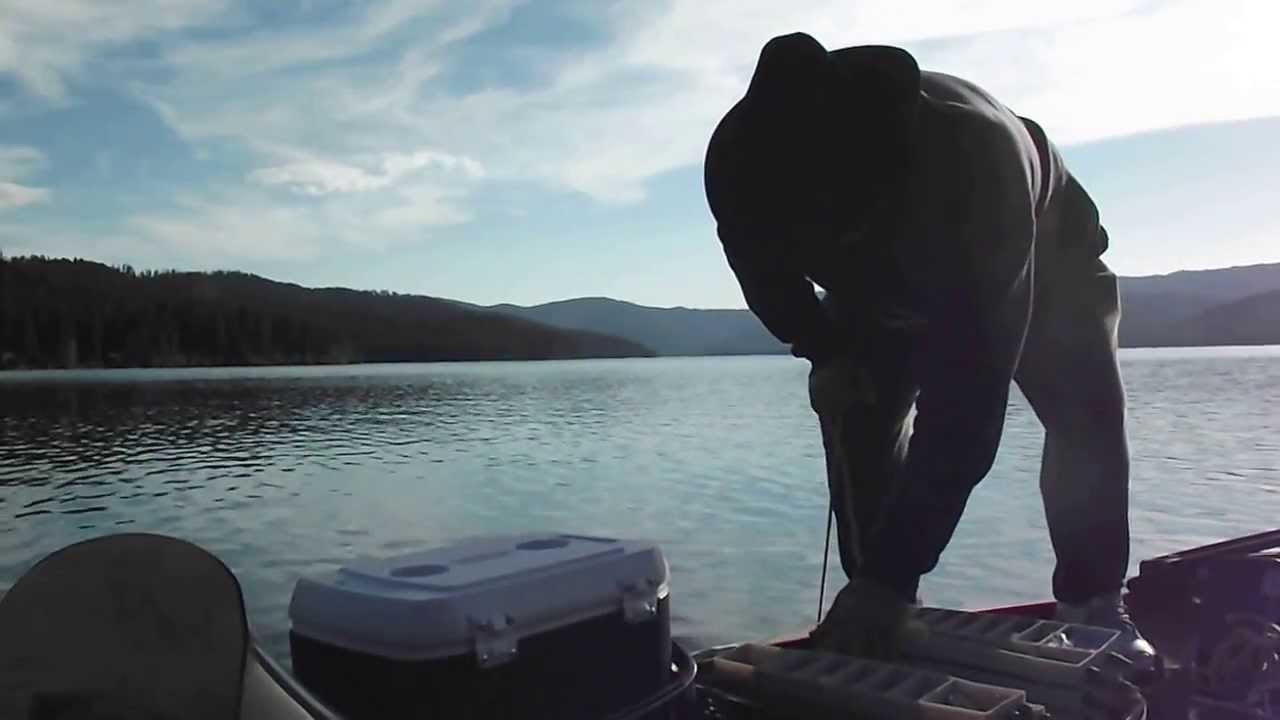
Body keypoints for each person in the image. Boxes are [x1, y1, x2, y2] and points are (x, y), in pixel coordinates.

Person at [702, 32, 1156, 664]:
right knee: (857, 406)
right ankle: (883, 606)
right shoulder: (740, 162)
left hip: (1042, 250)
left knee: (1084, 416)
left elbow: (966, 413)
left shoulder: (974, 161)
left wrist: (889, 575)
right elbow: (764, 276)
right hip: (883, 274)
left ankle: (1094, 604)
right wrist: (821, 348)